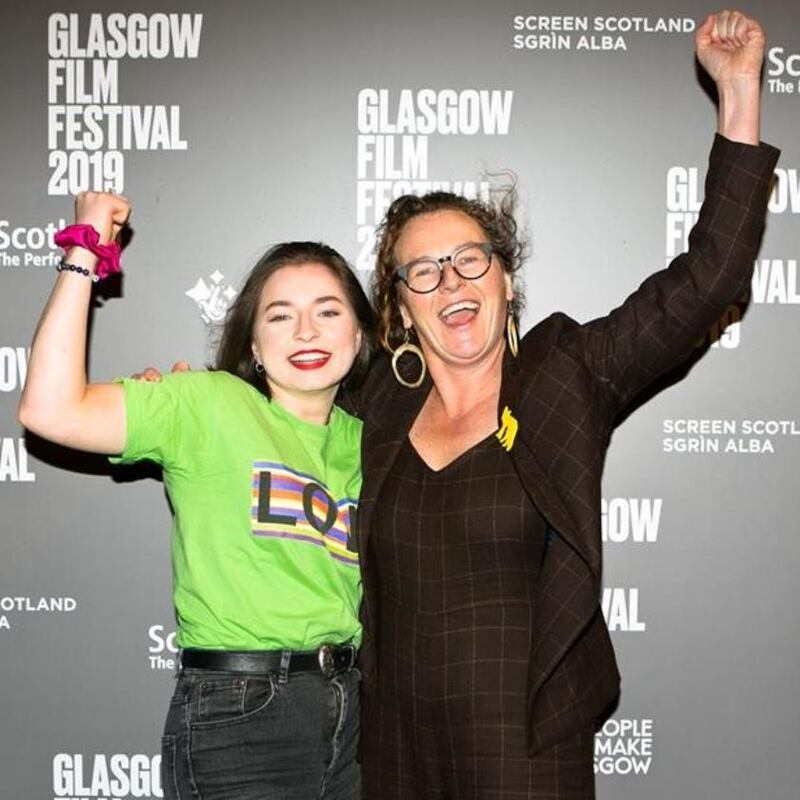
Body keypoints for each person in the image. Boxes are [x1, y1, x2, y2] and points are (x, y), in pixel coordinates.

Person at [350, 10, 779, 799]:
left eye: (469, 259)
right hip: (395, 749)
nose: (451, 282)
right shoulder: (376, 404)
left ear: (505, 280)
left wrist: (739, 92)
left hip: (525, 742)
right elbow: (274, 393)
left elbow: (706, 282)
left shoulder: (564, 372)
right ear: (399, 311)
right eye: (424, 272)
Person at [18, 192, 377, 800]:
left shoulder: (374, 443)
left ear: (360, 332)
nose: (307, 331)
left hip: (353, 717)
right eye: (280, 315)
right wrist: (86, 245)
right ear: (254, 346)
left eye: (328, 311)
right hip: (241, 714)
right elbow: (50, 408)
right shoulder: (206, 404)